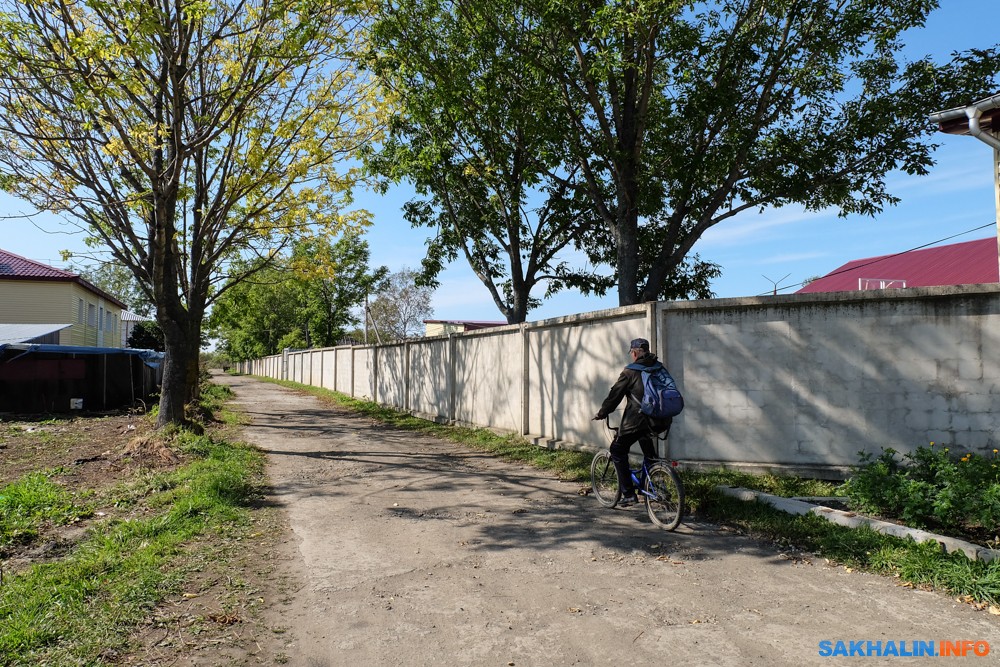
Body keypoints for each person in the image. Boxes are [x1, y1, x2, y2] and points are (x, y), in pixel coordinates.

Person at [593, 337, 672, 507]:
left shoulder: (630, 371)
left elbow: (615, 396)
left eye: (632, 353)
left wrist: (602, 413)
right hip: (661, 420)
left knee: (617, 450)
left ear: (635, 352)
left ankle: (628, 494)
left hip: (637, 421)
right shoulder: (659, 367)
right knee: (649, 452)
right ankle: (655, 484)